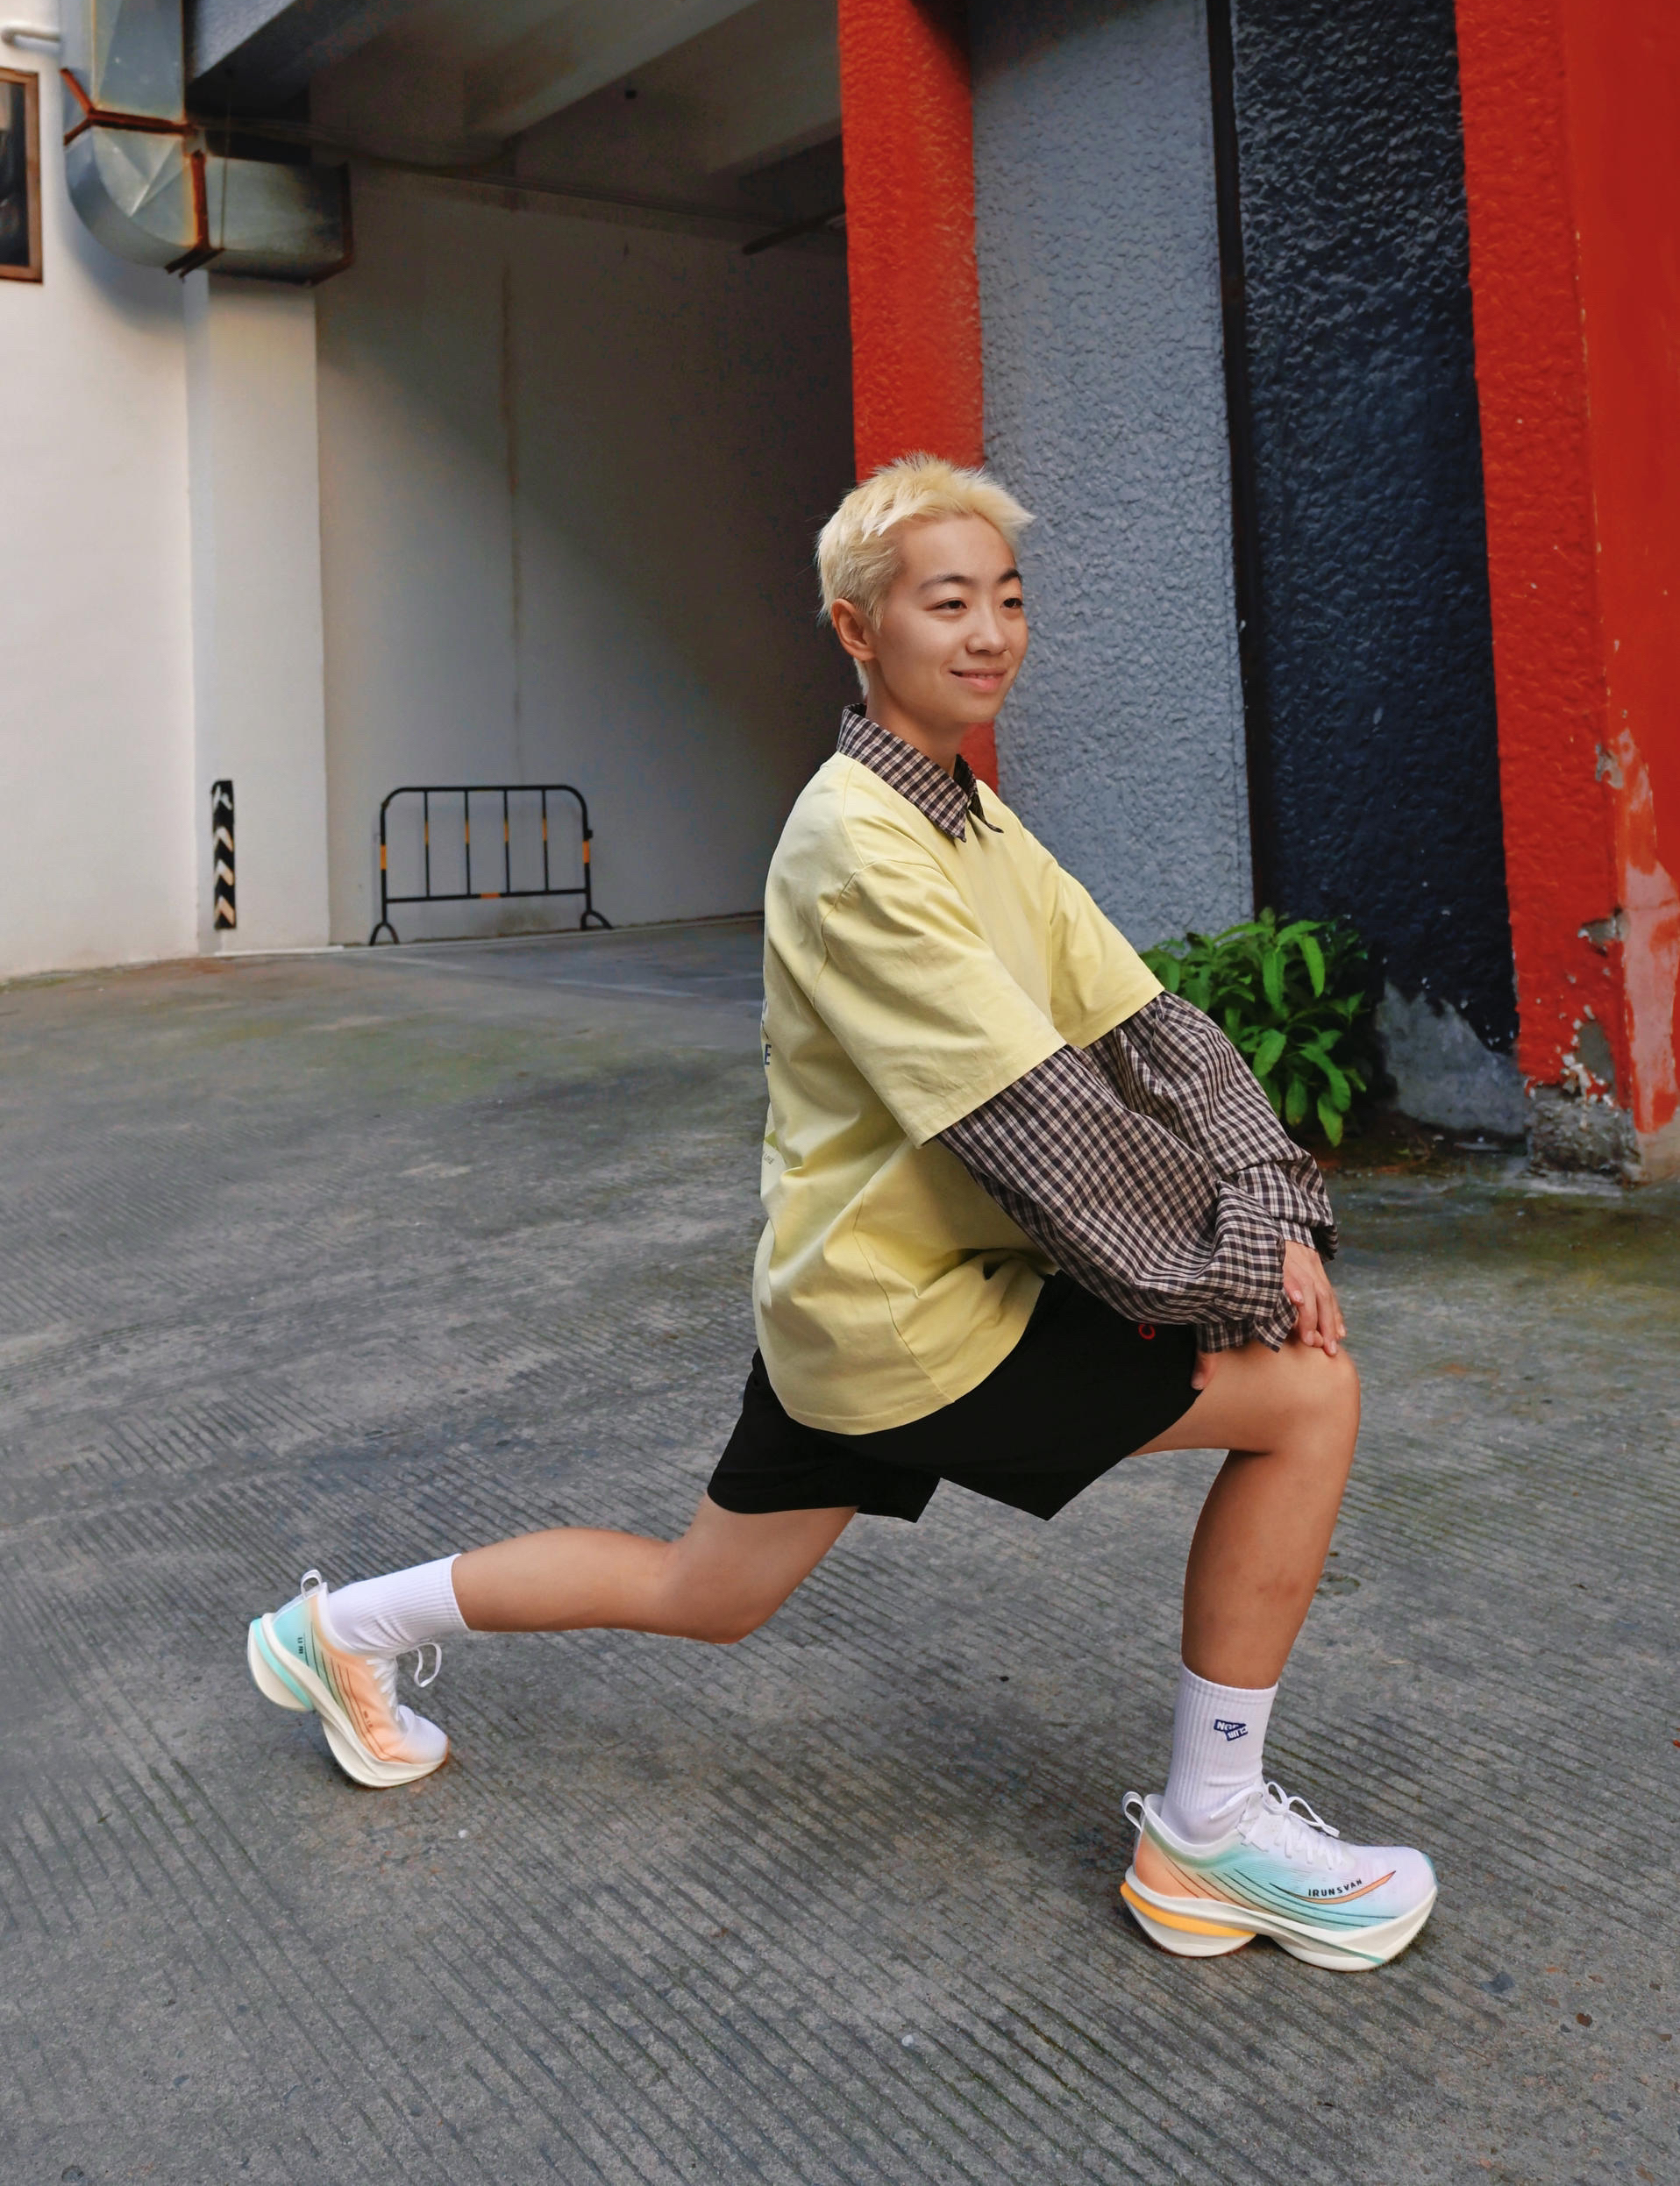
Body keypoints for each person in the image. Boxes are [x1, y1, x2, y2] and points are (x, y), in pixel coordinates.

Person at [247, 455, 1435, 1973]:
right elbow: (1043, 1126)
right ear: (858, 628)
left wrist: (1267, 1193)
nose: (990, 632)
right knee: (1308, 1397)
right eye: (948, 602)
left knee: (703, 1591)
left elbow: (1151, 1031)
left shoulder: (972, 822)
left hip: (852, 1302)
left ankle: (338, 1632)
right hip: (915, 1324)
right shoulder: (857, 840)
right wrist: (1237, 1272)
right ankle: (1208, 1835)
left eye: (1009, 599)